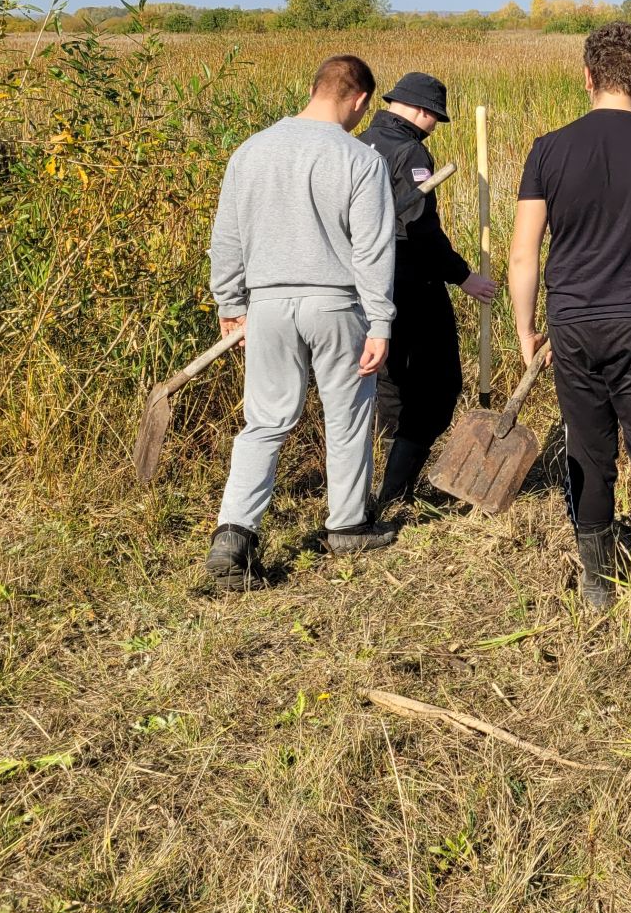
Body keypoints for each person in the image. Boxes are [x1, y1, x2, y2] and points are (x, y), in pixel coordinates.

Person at [508, 23, 631, 647]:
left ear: (588, 76)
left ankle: (596, 585)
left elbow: (523, 255)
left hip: (571, 324)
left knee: (588, 450)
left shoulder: (547, 150)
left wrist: (526, 330)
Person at [205, 55, 398, 585]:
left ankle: (233, 536)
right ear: (358, 100)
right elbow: (373, 251)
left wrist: (230, 303)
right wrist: (380, 321)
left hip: (266, 305)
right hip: (336, 305)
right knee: (348, 415)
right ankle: (347, 525)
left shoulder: (251, 152)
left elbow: (227, 237)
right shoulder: (361, 160)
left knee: (264, 422)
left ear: (315, 88)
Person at [360, 72, 497, 513]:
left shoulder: (359, 143)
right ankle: (394, 494)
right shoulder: (411, 151)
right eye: (435, 117)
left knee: (388, 384)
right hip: (410, 285)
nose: (434, 124)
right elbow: (419, 229)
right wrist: (463, 276)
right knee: (439, 388)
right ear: (422, 112)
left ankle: (372, 488)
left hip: (363, 287)